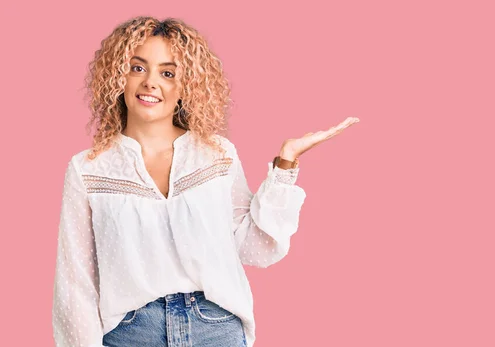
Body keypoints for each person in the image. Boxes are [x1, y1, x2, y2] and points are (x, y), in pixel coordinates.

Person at [52, 16, 359, 347]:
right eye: (138, 68)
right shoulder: (88, 168)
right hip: (131, 333)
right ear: (117, 77)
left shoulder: (216, 155)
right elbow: (75, 282)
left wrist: (285, 163)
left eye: (167, 73)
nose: (151, 82)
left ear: (186, 86)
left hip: (215, 327)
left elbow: (253, 247)